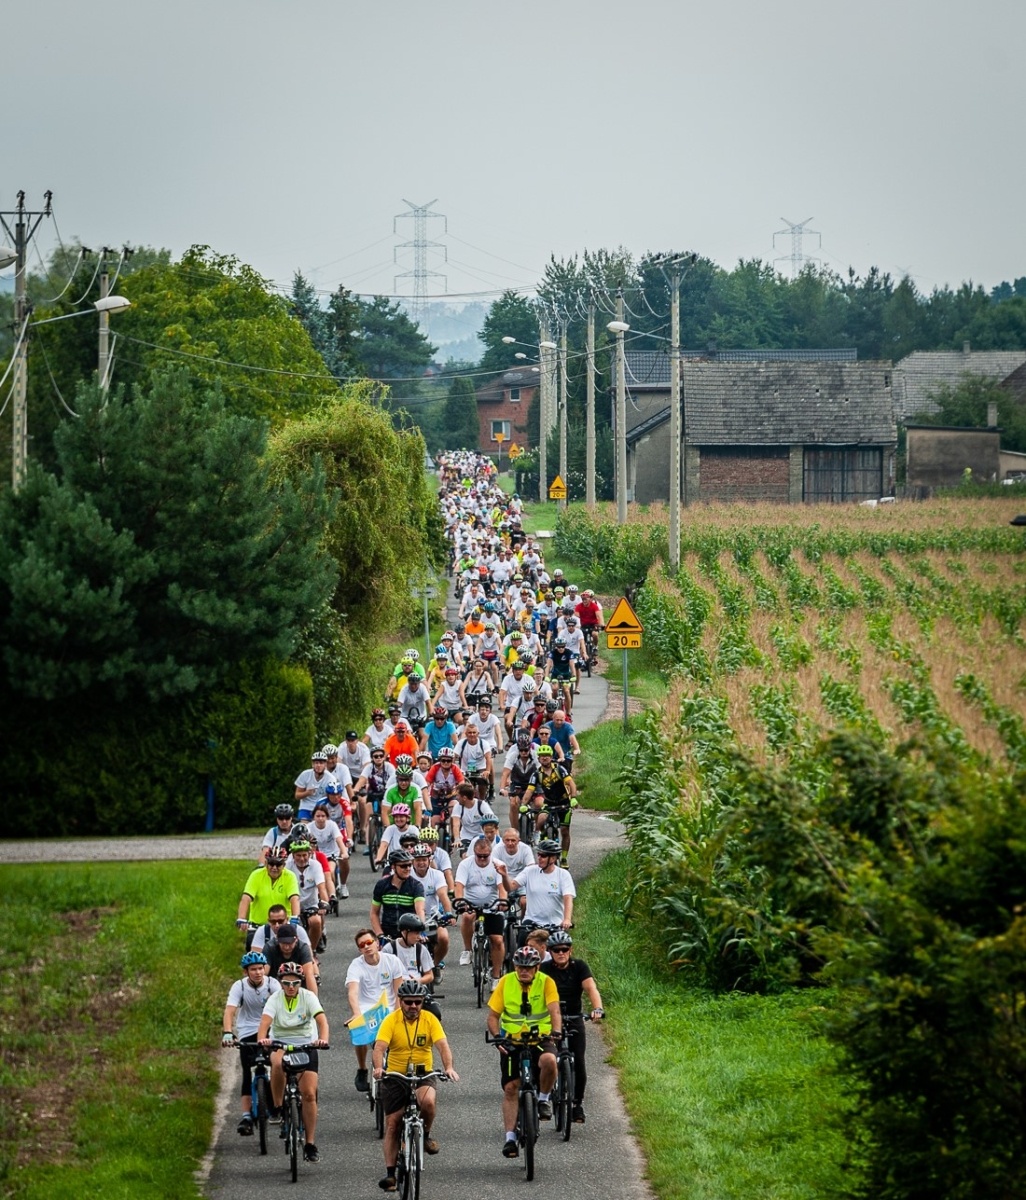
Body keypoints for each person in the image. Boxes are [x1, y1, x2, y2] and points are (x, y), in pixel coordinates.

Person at [372, 980, 459, 1190]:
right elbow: (379, 1048)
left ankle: (425, 1135)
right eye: (408, 1002)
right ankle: (390, 1174)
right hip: (395, 1075)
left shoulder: (430, 1019)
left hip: (423, 1073)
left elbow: (442, 1046)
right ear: (401, 1001)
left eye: (417, 1002)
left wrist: (448, 1067)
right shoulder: (391, 1020)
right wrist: (379, 1068)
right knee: (393, 1123)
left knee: (428, 1102)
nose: (413, 1006)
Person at [486, 945, 563, 1158]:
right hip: (513, 1041)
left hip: (541, 1039)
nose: (524, 971)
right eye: (520, 967)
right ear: (515, 966)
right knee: (511, 1088)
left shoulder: (546, 982)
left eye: (528, 968)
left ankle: (543, 1099)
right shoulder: (506, 982)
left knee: (550, 1061)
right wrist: (497, 1036)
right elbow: (493, 1016)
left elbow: (554, 1010)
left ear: (537, 967)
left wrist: (556, 1031)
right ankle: (510, 1138)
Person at [256, 962, 329, 1164]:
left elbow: (322, 1021)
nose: (291, 987)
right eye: (286, 983)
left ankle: (310, 1144)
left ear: (301, 983)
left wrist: (322, 1039)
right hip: (281, 1042)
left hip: (305, 1043)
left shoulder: (309, 997)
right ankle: (278, 1107)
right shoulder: (275, 999)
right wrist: (263, 1039)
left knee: (309, 1094)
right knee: (277, 1063)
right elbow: (264, 1023)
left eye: (295, 983)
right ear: (280, 983)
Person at [540, 930, 605, 1124]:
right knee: (547, 1058)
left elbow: (591, 988)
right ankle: (542, 1095)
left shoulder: (580, 967)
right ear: (550, 952)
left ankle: (577, 1104)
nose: (561, 953)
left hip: (575, 1016)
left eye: (565, 949)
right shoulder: (544, 969)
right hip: (550, 1019)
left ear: (570, 950)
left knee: (579, 1062)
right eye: (556, 950)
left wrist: (597, 1009)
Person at [222, 950, 281, 1135]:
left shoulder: (272, 984)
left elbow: (281, 1006)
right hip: (248, 1031)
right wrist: (227, 1033)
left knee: (277, 1066)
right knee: (248, 1072)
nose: (258, 972)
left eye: (260, 968)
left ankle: (279, 1104)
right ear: (246, 972)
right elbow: (230, 1011)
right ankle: (247, 1116)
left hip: (270, 1029)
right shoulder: (239, 986)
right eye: (253, 969)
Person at [345, 928, 406, 1092]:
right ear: (359, 949)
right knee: (358, 1031)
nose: (366, 946)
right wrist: (356, 1013)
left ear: (377, 943)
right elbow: (353, 992)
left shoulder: (392, 961)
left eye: (369, 942)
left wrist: (398, 1013)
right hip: (367, 1008)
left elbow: (399, 991)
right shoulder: (356, 965)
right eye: (362, 945)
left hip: (389, 1006)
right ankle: (362, 1069)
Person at [455, 836, 508, 980]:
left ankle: (496, 976)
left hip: (492, 906)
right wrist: (460, 902)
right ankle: (467, 950)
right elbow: (459, 886)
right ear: (474, 853)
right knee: (467, 916)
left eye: (486, 856)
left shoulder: (498, 865)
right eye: (479, 856)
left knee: (497, 940)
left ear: (490, 853)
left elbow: (502, 888)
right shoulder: (465, 865)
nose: (483, 859)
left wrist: (503, 902)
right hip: (471, 904)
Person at [503, 838, 575, 934]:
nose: (539, 858)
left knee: (563, 942)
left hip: (555, 924)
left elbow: (568, 898)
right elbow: (510, 887)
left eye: (543, 856)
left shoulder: (563, 875)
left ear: (553, 858)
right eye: (538, 854)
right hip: (532, 923)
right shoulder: (530, 871)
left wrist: (567, 919)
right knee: (522, 939)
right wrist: (504, 875)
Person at [521, 744, 578, 864]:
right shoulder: (537, 774)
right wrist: (524, 804)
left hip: (564, 803)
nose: (544, 758)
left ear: (551, 757)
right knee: (541, 818)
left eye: (547, 755)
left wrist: (573, 798)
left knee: (564, 831)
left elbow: (571, 783)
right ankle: (541, 835)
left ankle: (564, 858)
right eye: (542, 756)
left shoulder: (559, 769)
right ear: (538, 758)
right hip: (549, 802)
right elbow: (530, 790)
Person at [236, 850, 300, 946]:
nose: (274, 868)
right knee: (251, 944)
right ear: (266, 863)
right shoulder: (256, 875)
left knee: (292, 946)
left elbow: (294, 898)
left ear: (284, 865)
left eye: (278, 864)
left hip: (282, 924)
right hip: (259, 925)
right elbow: (246, 898)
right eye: (271, 864)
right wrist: (241, 918)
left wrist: (295, 917)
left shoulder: (290, 876)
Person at [371, 849, 427, 942]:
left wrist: (420, 930)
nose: (408, 868)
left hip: (409, 934)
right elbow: (374, 913)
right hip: (387, 934)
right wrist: (379, 934)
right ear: (393, 866)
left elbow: (420, 910)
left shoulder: (416, 885)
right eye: (403, 866)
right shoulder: (381, 885)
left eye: (409, 865)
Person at [285, 840, 329, 954]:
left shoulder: (316, 865)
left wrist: (324, 903)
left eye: (304, 855)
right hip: (292, 904)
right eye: (298, 855)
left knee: (316, 921)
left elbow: (322, 888)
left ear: (309, 854)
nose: (302, 858)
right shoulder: (287, 866)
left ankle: (311, 951)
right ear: (293, 855)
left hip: (311, 903)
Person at [263, 917, 319, 994]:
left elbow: (309, 975)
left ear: (296, 939)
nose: (286, 947)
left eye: (290, 943)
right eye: (283, 943)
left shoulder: (303, 948)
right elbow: (264, 974)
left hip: (298, 985)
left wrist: (314, 999)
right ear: (277, 939)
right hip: (275, 985)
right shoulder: (269, 947)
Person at [308, 803, 349, 902]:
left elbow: (339, 839)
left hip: (331, 854)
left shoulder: (332, 825)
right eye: (318, 816)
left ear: (327, 817)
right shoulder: (309, 827)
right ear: (313, 817)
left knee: (330, 871)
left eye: (323, 816)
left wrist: (344, 852)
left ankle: (333, 891)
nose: (320, 819)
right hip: (316, 855)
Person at [294, 749, 336, 821]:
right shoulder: (305, 775)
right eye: (316, 763)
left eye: (321, 763)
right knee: (304, 825)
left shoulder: (331, 778)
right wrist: (307, 793)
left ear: (325, 764)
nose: (318, 765)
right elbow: (297, 795)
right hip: (306, 807)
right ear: (312, 764)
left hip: (322, 808)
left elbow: (332, 797)